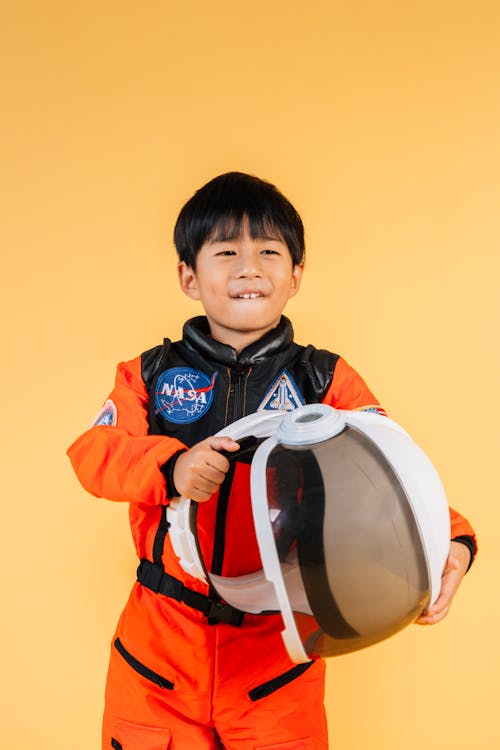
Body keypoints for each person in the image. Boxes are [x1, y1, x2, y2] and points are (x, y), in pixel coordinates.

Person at [67, 172, 477, 750]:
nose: (249, 268)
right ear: (190, 275)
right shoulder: (148, 375)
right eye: (227, 251)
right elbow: (94, 454)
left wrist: (452, 544)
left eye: (269, 252)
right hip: (160, 647)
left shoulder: (324, 380)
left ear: (296, 276)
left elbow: (393, 472)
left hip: (277, 650)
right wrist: (172, 466)